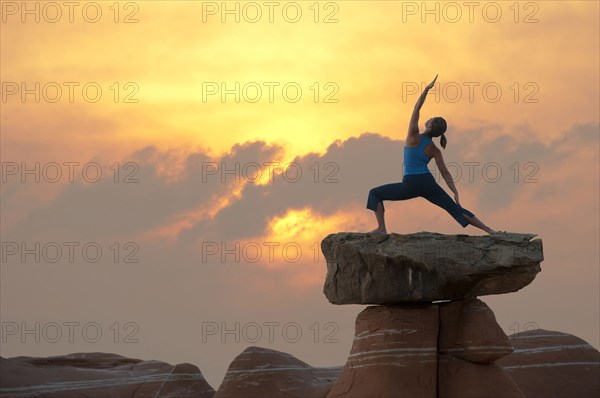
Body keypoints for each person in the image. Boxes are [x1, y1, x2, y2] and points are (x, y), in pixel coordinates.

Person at [366, 74, 497, 235]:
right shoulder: (435, 150)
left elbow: (416, 108)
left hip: (411, 184)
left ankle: (381, 228)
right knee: (455, 208)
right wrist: (455, 192)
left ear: (429, 127)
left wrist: (426, 90)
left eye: (431, 119)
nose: (427, 118)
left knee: (375, 193)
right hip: (428, 182)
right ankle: (490, 230)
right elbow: (445, 173)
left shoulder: (413, 136)